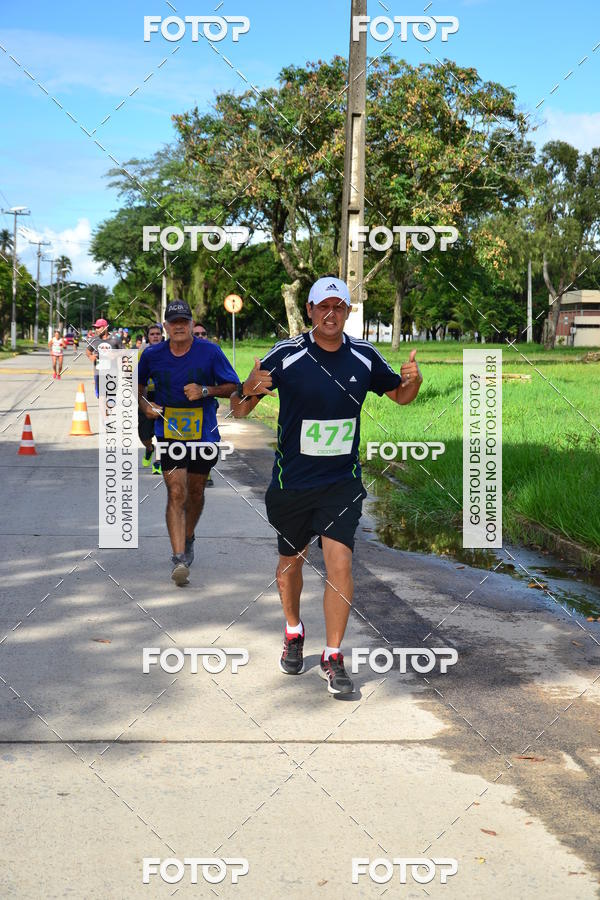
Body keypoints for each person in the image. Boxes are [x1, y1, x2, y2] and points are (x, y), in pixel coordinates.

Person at [231, 276, 423, 696]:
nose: (331, 314)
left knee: (340, 565)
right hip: (293, 483)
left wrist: (414, 380)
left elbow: (400, 396)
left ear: (348, 313)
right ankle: (294, 630)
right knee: (290, 566)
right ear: (311, 311)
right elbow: (241, 411)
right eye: (323, 307)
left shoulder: (364, 357)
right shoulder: (287, 354)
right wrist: (246, 390)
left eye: (339, 307)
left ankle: (333, 657)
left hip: (341, 483)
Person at [138, 300, 239, 586]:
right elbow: (138, 385)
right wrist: (145, 404)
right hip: (169, 431)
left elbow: (233, 385)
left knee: (195, 491)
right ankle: (178, 557)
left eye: (184, 321)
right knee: (176, 491)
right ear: (166, 326)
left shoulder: (210, 352)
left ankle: (190, 536)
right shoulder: (152, 355)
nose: (179, 326)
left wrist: (205, 390)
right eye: (173, 322)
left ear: (191, 323)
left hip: (204, 432)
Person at [139, 323, 163, 474]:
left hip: (163, 396)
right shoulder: (142, 353)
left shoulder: (168, 351)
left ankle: (158, 462)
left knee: (161, 432)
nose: (155, 336)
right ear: (148, 337)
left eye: (157, 334)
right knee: (144, 434)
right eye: (152, 334)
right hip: (146, 396)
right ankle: (149, 448)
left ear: (162, 335)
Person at [85, 318, 123, 399]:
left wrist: (115, 354)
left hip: (113, 372)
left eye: (98, 327)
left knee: (111, 398)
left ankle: (109, 410)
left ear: (105, 327)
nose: (96, 330)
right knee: (102, 398)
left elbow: (124, 351)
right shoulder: (94, 340)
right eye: (95, 328)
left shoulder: (115, 339)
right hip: (99, 372)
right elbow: (88, 351)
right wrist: (90, 356)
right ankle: (105, 411)